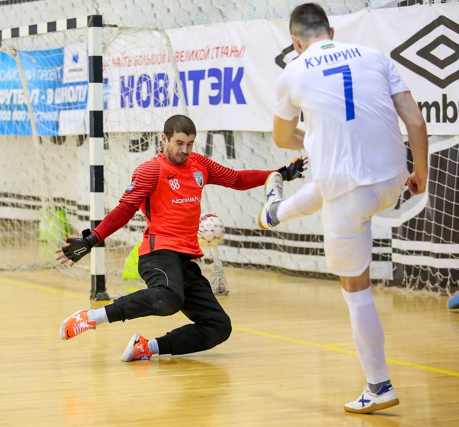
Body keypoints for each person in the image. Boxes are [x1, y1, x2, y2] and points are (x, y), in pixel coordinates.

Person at [258, 3, 428, 414]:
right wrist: (420, 174)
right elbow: (416, 123)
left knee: (356, 290)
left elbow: (282, 138)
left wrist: (315, 135)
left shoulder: (293, 72)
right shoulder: (374, 56)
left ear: (295, 42)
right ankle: (274, 213)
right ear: (331, 31)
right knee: (329, 177)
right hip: (394, 179)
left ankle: (378, 385)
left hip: (350, 195)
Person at [57, 114, 305, 362]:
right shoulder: (151, 170)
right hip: (157, 254)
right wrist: (91, 240)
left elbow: (237, 179)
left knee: (218, 325)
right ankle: (90, 318)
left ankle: (147, 347)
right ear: (164, 139)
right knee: (169, 298)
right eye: (179, 143)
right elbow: (125, 209)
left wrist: (279, 174)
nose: (185, 150)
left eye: (190, 144)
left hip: (184, 259)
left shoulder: (199, 165)